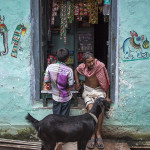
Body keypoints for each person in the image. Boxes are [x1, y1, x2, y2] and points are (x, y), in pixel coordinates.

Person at [75, 52, 111, 149]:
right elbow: (76, 71)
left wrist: (107, 96)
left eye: (92, 61)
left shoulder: (100, 66)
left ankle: (98, 133)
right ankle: (92, 134)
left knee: (100, 109)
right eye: (88, 62)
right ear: (84, 63)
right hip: (88, 91)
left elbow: (106, 81)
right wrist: (77, 83)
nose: (91, 64)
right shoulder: (82, 67)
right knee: (90, 109)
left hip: (99, 91)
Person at [44, 48, 74, 149]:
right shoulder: (69, 70)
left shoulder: (49, 67)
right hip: (66, 97)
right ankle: (62, 139)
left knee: (56, 117)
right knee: (64, 118)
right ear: (67, 59)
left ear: (56, 57)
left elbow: (47, 80)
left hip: (55, 96)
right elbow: (70, 84)